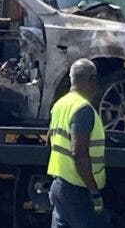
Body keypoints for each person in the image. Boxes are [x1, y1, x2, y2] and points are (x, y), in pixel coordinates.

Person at [47, 58, 109, 228]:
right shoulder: (83, 109)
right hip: (78, 191)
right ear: (92, 80)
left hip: (59, 186)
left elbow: (50, 139)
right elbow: (78, 153)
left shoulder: (60, 104)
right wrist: (94, 191)